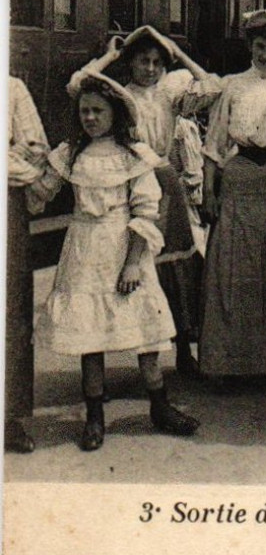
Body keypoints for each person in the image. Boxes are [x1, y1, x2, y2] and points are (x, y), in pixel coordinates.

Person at [28, 73, 198, 451]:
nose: (90, 118)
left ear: (114, 113)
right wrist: (26, 167)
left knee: (144, 330)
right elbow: (40, 192)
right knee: (91, 333)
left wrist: (134, 263)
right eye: (84, 111)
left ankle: (160, 405)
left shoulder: (133, 155)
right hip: (84, 249)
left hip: (123, 245)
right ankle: (94, 415)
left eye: (98, 111)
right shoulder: (70, 154)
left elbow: (145, 211)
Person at [69, 27, 221, 377]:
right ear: (131, 63)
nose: (150, 68)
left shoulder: (171, 93)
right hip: (131, 178)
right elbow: (77, 84)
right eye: (143, 61)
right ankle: (130, 353)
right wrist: (110, 54)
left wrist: (179, 53)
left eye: (157, 62)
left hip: (164, 179)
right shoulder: (121, 97)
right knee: (131, 261)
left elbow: (213, 87)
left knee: (175, 267)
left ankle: (183, 352)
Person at [199, 9, 266, 378]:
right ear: (250, 46)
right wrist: (209, 192)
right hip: (241, 180)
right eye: (261, 46)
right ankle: (231, 364)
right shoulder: (232, 86)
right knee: (234, 271)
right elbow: (214, 143)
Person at [7, 77, 49, 452]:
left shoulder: (13, 87)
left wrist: (15, 161)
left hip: (8, 205)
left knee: (12, 310)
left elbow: (36, 147)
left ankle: (8, 418)